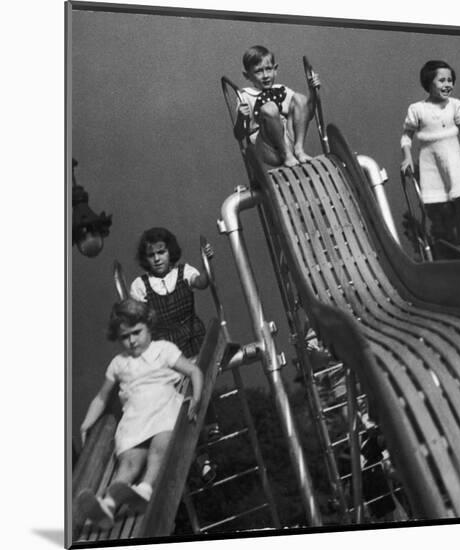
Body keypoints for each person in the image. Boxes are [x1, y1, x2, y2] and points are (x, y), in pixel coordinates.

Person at [76, 299, 203, 529]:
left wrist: (196, 398)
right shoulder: (118, 363)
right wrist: (87, 422)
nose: (132, 340)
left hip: (162, 407)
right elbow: (102, 397)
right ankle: (108, 506)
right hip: (134, 418)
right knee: (129, 462)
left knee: (161, 445)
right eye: (125, 336)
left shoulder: (163, 350)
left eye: (137, 332)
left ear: (148, 326)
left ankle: (144, 489)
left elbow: (193, 370)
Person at [130, 227, 220, 482]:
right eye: (151, 255)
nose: (157, 258)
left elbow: (202, 283)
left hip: (193, 339)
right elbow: (137, 316)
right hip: (167, 348)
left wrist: (207, 263)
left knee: (199, 381)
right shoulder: (141, 285)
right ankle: (202, 460)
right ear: (145, 258)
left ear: (170, 252)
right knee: (178, 403)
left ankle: (209, 429)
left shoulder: (184, 272)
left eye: (161, 252)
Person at [400, 60, 460, 254]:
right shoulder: (417, 109)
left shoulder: (455, 105)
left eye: (450, 80)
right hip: (431, 163)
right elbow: (406, 137)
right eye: (442, 80)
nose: (447, 84)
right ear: (429, 82)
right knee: (442, 208)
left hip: (454, 159)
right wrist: (407, 158)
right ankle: (459, 244)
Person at [234, 44, 321, 168]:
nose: (265, 75)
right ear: (247, 75)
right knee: (269, 107)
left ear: (275, 69)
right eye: (258, 71)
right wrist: (241, 118)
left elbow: (308, 115)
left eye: (268, 69)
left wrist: (312, 92)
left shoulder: (281, 89)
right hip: (267, 148)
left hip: (288, 139)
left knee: (300, 98)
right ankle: (286, 155)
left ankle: (299, 149)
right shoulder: (245, 96)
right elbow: (239, 135)